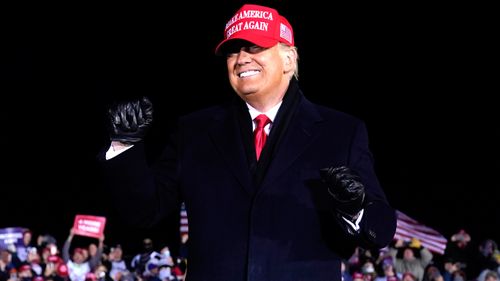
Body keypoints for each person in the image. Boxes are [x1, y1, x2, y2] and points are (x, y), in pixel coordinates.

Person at [98, 3, 396, 281]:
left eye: (255, 47)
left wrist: (355, 208)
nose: (242, 59)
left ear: (289, 59)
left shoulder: (340, 131)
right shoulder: (194, 130)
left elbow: (380, 231)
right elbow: (144, 212)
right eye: (233, 51)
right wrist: (125, 146)